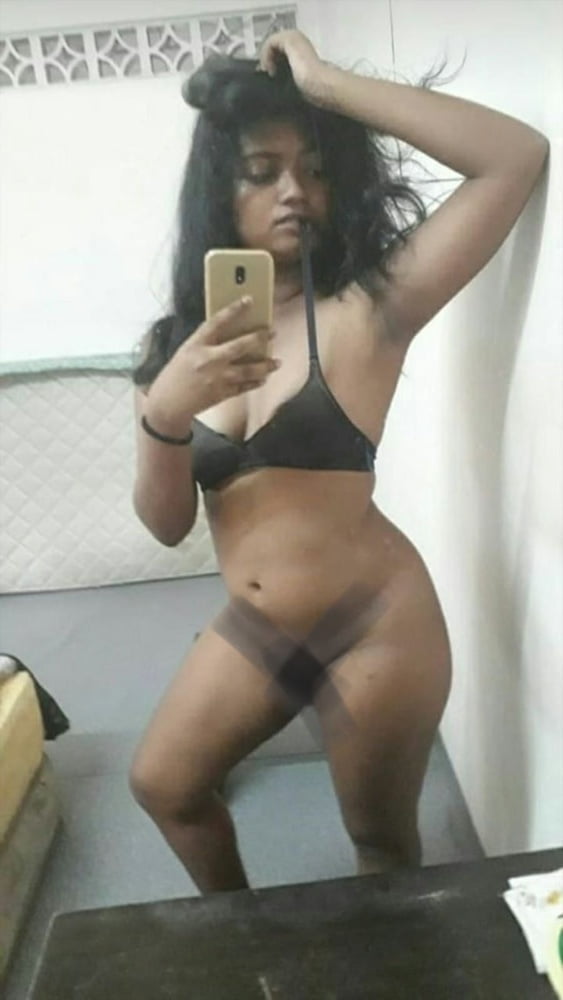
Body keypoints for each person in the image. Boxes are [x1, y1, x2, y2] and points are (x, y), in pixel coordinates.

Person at [130, 29, 549, 894]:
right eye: (262, 171)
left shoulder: (368, 309)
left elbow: (512, 157)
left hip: (376, 622)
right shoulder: (176, 349)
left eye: (314, 169)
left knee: (381, 848)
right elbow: (166, 526)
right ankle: (237, 933)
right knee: (164, 786)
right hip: (259, 628)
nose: (294, 191)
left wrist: (325, 83)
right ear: (219, 188)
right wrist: (162, 414)